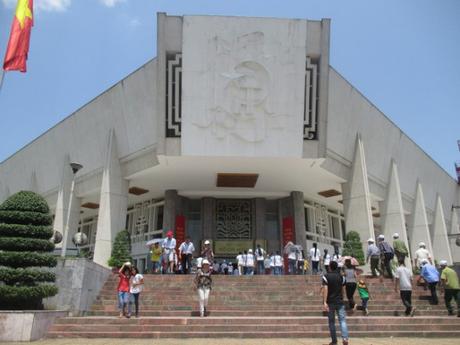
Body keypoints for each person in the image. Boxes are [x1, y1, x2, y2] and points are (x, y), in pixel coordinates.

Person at [321, 260, 349, 345]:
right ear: (337, 267)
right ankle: (345, 339)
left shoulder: (326, 277)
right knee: (342, 321)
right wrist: (343, 298)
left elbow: (325, 289)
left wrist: (324, 302)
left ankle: (334, 341)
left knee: (331, 322)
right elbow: (343, 290)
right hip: (340, 301)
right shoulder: (342, 277)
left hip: (330, 302)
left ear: (329, 267)